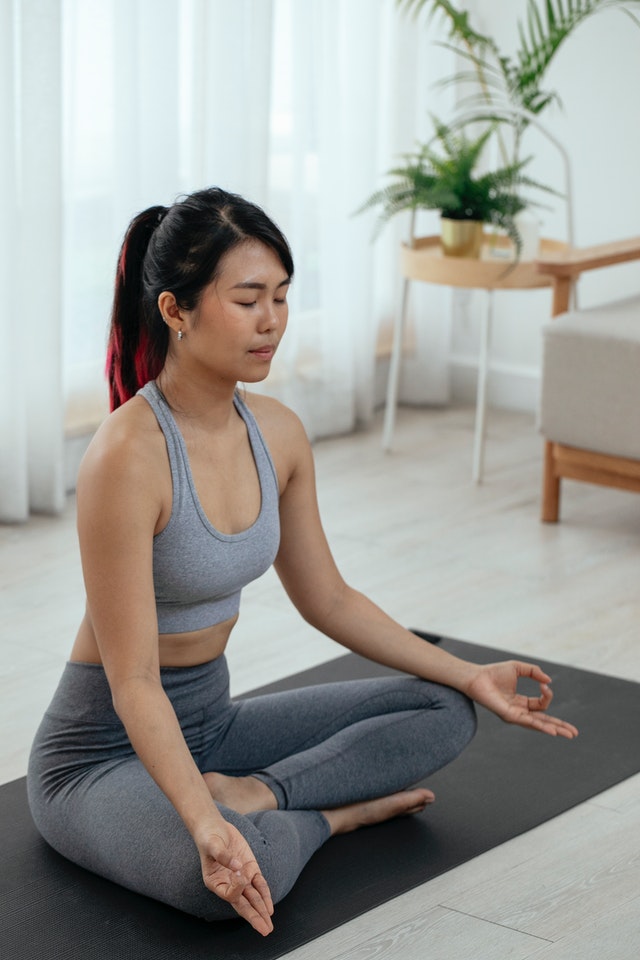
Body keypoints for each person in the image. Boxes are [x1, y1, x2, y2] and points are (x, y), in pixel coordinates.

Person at [27, 187, 578, 937]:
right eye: (248, 298)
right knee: (215, 876)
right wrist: (202, 821)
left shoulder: (278, 435)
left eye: (282, 297)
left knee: (445, 709)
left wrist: (469, 673)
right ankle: (332, 819)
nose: (272, 321)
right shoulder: (127, 456)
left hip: (212, 726)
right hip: (100, 754)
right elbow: (131, 682)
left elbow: (330, 599)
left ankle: (260, 795)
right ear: (175, 311)